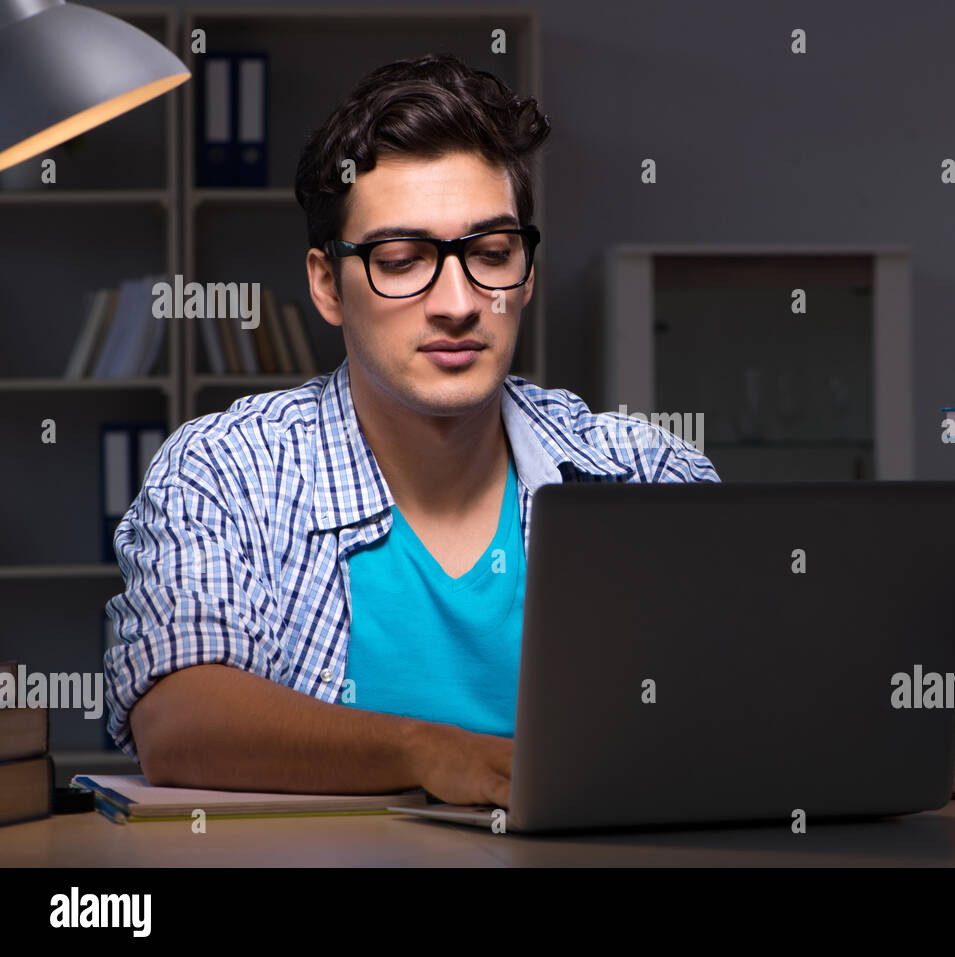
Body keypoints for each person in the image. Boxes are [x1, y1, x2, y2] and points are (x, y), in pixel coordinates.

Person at [104, 53, 719, 809]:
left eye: (491, 254)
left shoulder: (646, 473)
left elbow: (736, 707)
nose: (458, 302)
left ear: (525, 275)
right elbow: (179, 720)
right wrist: (428, 752)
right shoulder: (225, 471)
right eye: (402, 260)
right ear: (327, 284)